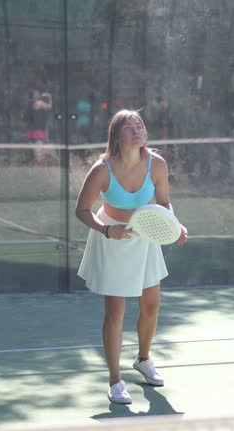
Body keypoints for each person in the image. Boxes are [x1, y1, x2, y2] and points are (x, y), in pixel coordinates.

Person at [75, 110, 188, 404]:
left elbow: (164, 203)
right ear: (116, 135)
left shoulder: (157, 164)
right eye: (129, 127)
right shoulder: (102, 170)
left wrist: (174, 225)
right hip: (113, 239)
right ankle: (115, 381)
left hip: (145, 237)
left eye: (140, 126)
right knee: (116, 313)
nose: (137, 131)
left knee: (151, 306)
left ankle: (143, 359)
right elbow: (82, 210)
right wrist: (107, 230)